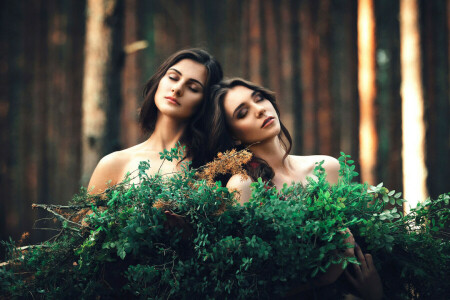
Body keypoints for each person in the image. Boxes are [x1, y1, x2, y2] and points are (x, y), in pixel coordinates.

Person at [208, 78, 382, 298]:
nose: (260, 110)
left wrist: (374, 294)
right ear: (233, 135)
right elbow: (247, 284)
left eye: (259, 99)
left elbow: (359, 249)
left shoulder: (327, 167)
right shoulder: (243, 186)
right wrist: (324, 278)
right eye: (243, 113)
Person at [88, 48, 223, 194]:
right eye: (173, 77)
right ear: (159, 80)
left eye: (193, 88)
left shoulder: (213, 168)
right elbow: (89, 216)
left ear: (205, 102)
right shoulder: (114, 163)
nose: (177, 89)